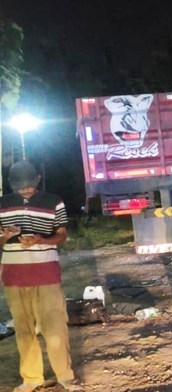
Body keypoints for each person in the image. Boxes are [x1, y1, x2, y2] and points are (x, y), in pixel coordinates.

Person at [0, 160, 82, 391]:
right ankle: (31, 379)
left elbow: (62, 235)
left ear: (37, 179)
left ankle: (66, 378)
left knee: (55, 328)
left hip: (46, 273)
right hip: (14, 276)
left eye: (29, 184)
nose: (25, 189)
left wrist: (41, 240)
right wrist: (6, 236)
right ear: (11, 184)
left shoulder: (53, 201)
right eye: (20, 186)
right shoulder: (2, 204)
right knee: (24, 331)